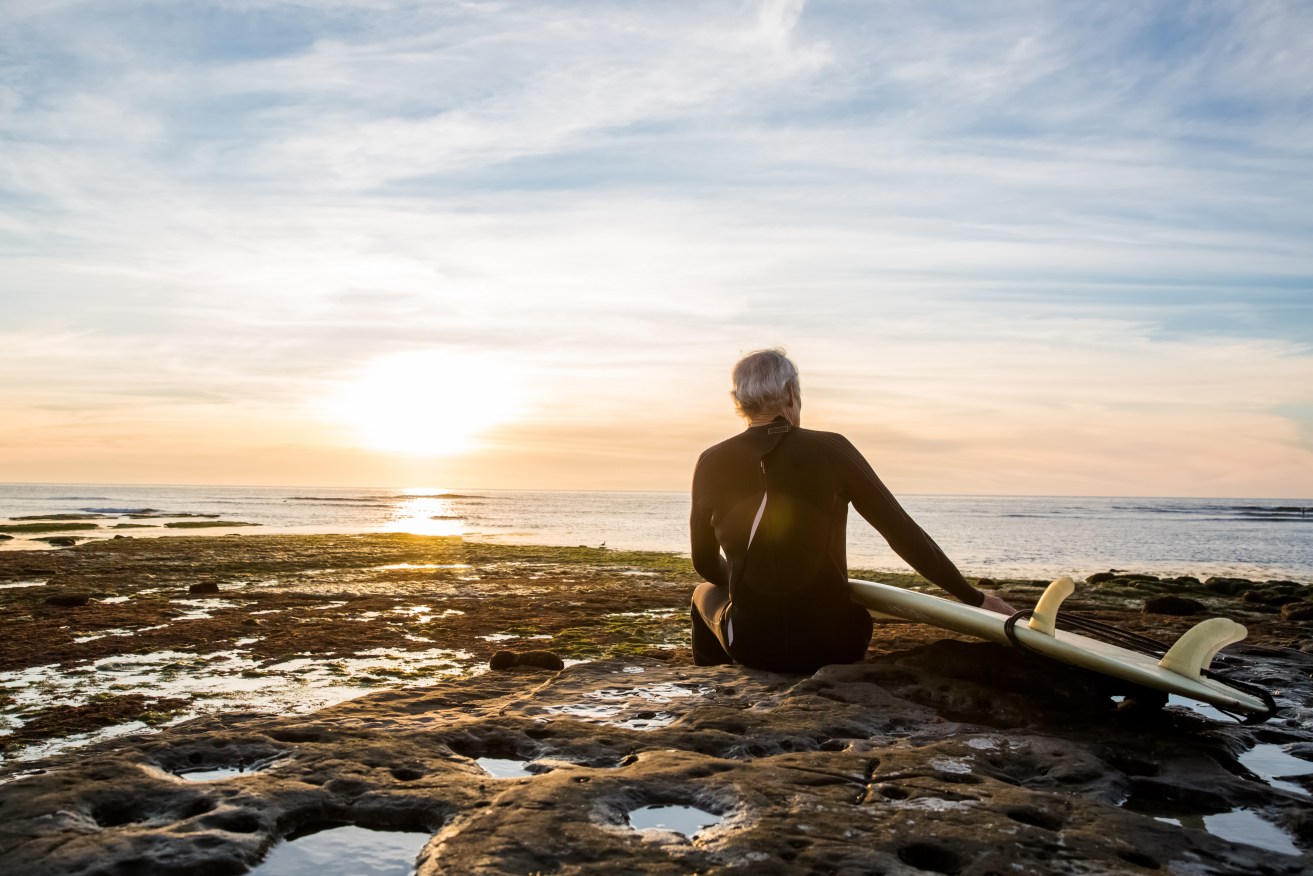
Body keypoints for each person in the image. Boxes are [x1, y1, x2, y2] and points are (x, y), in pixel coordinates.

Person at [689, 348, 1016, 672]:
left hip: (753, 647)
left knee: (704, 592)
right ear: (791, 392)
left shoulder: (710, 461)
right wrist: (976, 599)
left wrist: (746, 585)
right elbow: (902, 533)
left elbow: (704, 562)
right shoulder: (831, 448)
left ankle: (710, 684)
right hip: (835, 645)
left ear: (738, 400)